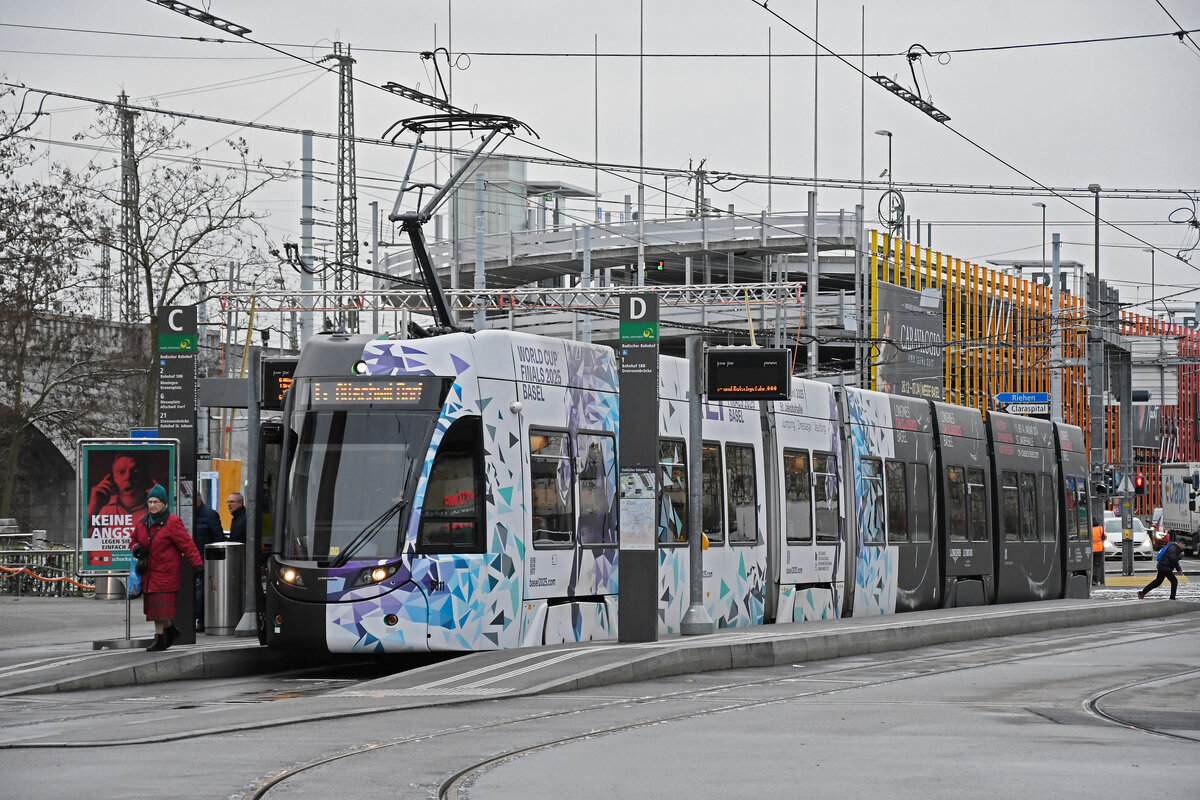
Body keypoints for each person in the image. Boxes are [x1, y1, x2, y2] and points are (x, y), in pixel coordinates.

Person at [131, 485, 202, 652]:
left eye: (156, 502)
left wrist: (197, 565)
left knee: (159, 610)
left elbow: (187, 545)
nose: (152, 505)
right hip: (149, 572)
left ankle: (159, 639)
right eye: (149, 502)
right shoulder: (143, 522)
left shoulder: (173, 522)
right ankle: (170, 632)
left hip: (167, 572)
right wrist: (136, 548)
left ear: (163, 503)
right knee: (156, 609)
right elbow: (133, 539)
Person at [88, 452, 155, 527]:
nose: (128, 477)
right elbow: (83, 533)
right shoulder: (104, 510)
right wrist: (93, 506)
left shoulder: (156, 507)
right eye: (121, 472)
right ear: (113, 478)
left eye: (136, 471)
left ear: (145, 476)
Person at [192, 495, 224, 633]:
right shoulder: (189, 514)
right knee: (196, 592)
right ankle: (197, 620)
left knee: (201, 593)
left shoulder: (210, 515)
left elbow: (219, 538)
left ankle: (201, 620)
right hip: (192, 559)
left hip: (205, 560)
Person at [1091, 517, 1105, 586]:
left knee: (1091, 565)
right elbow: (1103, 537)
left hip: (1091, 550)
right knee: (1097, 565)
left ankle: (1091, 579)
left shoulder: (1089, 528)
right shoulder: (1100, 528)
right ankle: (1095, 579)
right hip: (1099, 550)